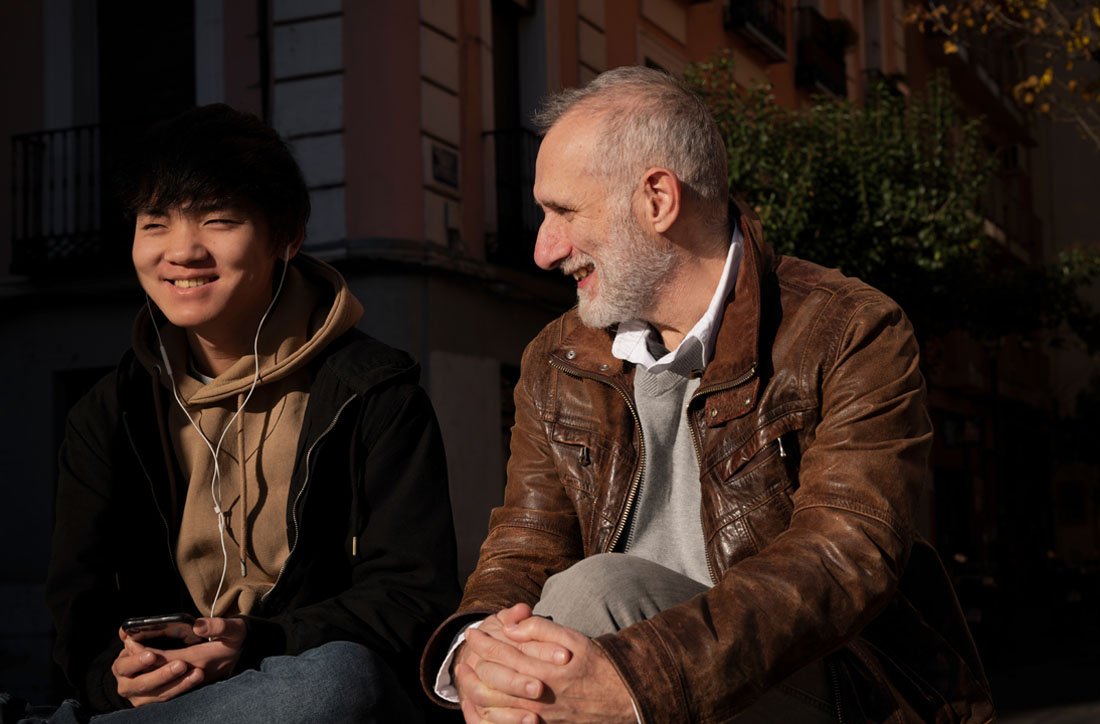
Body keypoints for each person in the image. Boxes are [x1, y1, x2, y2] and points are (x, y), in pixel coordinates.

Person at [419, 67, 994, 723]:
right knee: (525, 642)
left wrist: (640, 679)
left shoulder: (848, 331)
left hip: (816, 690)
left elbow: (844, 559)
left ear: (658, 199)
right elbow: (525, 549)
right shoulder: (557, 359)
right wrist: (480, 646)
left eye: (564, 211)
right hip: (599, 682)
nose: (544, 249)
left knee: (595, 593)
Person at [35, 104, 460, 723]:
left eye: (218, 221)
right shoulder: (109, 412)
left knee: (339, 681)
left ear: (286, 237)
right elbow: (80, 607)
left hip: (317, 694)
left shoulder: (373, 393)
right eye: (155, 224)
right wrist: (114, 681)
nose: (181, 251)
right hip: (173, 704)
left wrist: (258, 642)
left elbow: (413, 596)